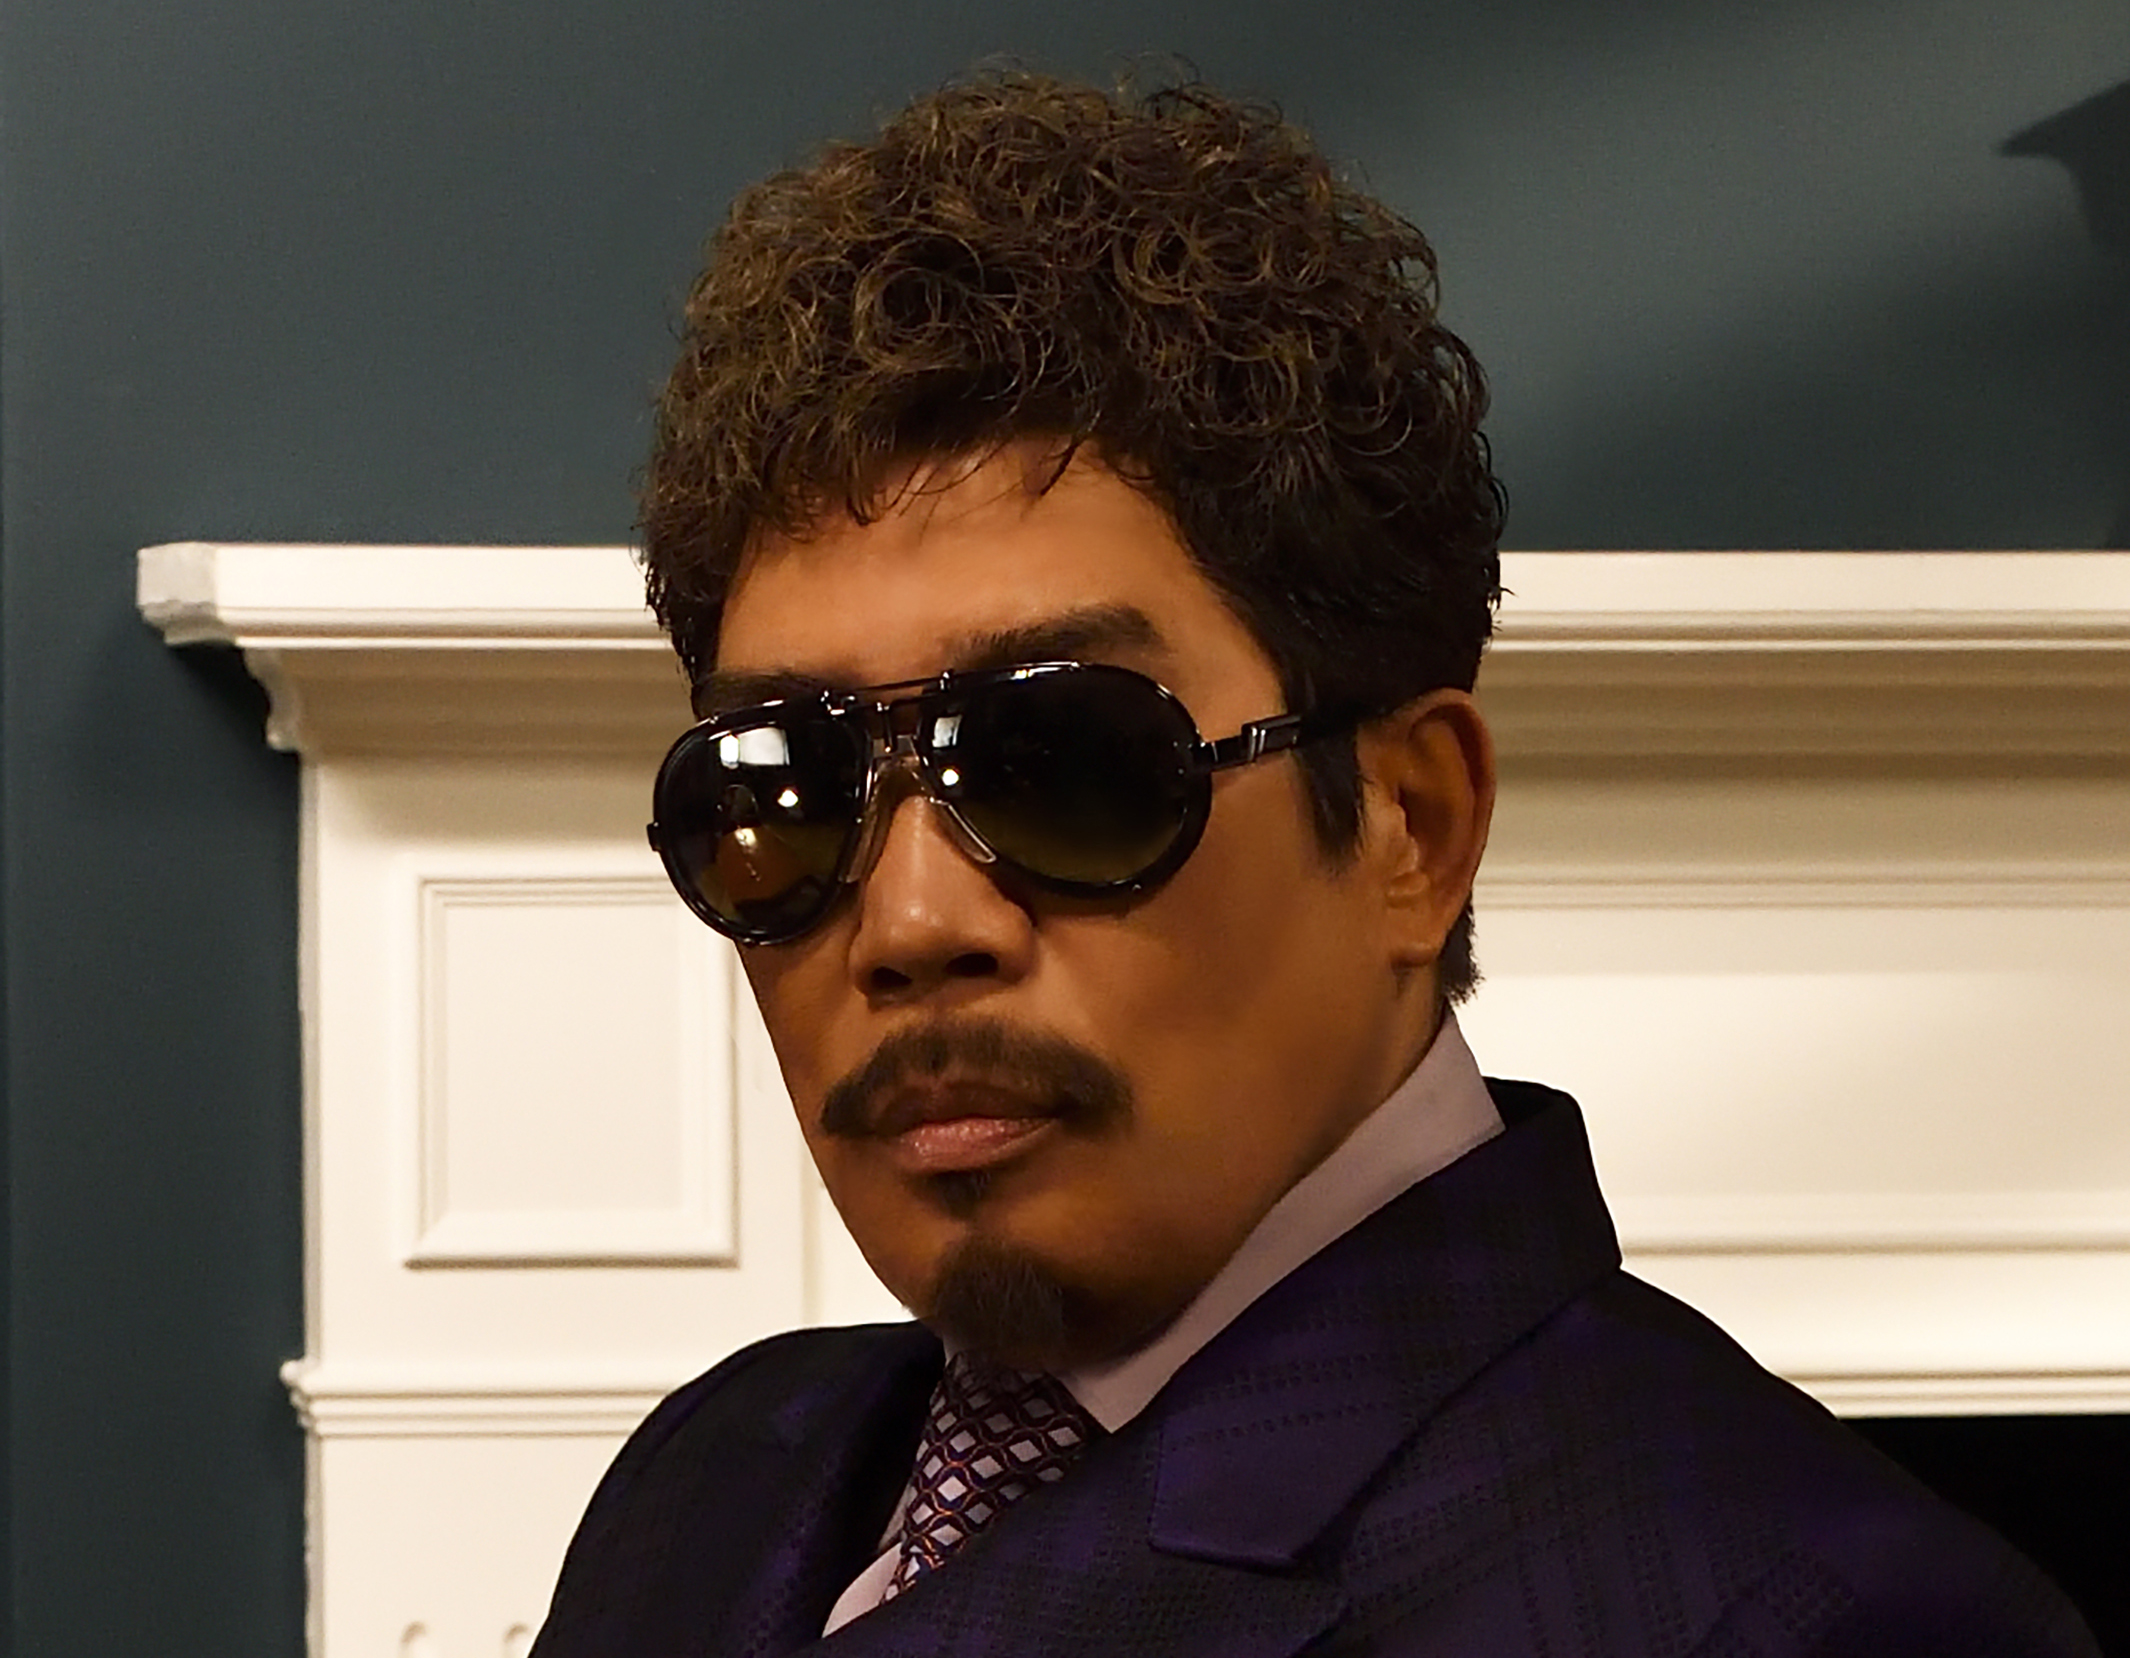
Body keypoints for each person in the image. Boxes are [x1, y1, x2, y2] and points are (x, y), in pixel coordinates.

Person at [531, 73, 2097, 1658]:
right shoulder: (712, 1480)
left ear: (1411, 823)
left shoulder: (1808, 1617)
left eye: (1068, 759)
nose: (912, 919)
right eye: (787, 787)